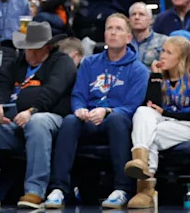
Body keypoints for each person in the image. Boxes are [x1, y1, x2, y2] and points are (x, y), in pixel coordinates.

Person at [0, 22, 77, 209]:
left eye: (35, 49)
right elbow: (1, 84)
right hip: (14, 121)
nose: (29, 53)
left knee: (38, 122)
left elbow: (53, 91)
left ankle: (35, 191)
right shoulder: (19, 62)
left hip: (51, 118)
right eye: (27, 49)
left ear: (48, 47)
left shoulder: (61, 61)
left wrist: (32, 110)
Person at [45, 14, 149, 209]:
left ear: (128, 37)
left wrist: (107, 110)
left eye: (118, 29)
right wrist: (79, 110)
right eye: (109, 28)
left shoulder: (139, 70)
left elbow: (133, 106)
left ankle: (122, 189)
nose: (113, 32)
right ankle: (59, 188)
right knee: (68, 121)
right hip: (89, 118)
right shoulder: (90, 63)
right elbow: (78, 94)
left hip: (117, 119)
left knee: (117, 119)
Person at [123, 36, 190, 208]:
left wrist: (165, 112)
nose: (162, 56)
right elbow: (151, 106)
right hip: (164, 124)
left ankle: (144, 189)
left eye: (169, 53)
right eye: (162, 51)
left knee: (151, 132)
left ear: (181, 58)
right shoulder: (158, 77)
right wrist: (155, 77)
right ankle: (142, 164)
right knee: (142, 112)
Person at [129, 2, 167, 67]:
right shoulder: (123, 42)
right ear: (129, 20)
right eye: (133, 14)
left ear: (150, 20)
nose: (137, 17)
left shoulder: (163, 41)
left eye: (141, 14)